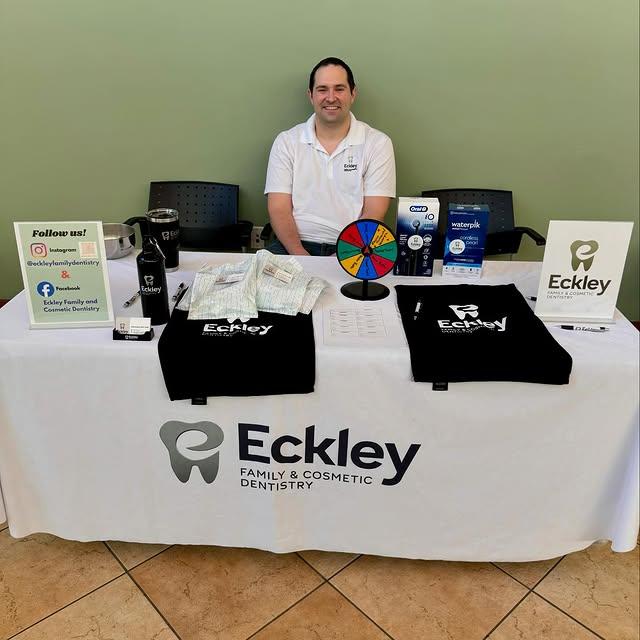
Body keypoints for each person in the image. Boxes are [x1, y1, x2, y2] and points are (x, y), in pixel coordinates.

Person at [264, 57, 396, 255]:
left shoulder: (378, 143)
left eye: (339, 89)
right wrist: (300, 255)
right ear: (311, 95)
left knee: (353, 286)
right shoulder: (286, 142)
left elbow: (374, 212)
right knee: (264, 283)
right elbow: (278, 208)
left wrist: (346, 254)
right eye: (322, 89)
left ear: (353, 94)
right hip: (292, 245)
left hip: (356, 247)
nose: (331, 97)